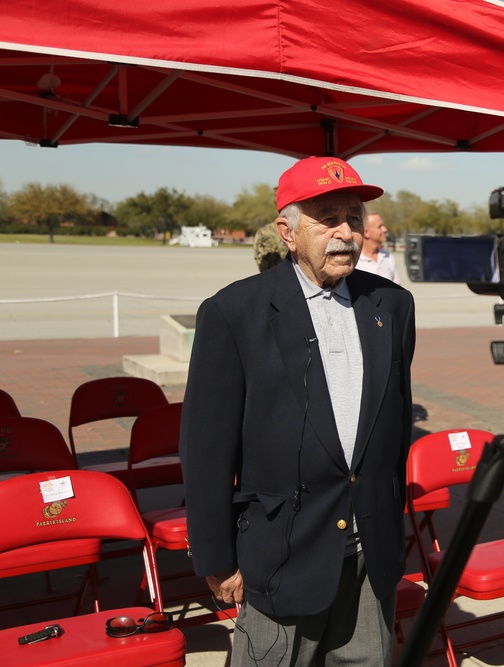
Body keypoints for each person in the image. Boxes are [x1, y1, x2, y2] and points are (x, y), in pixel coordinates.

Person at [180, 155, 416, 666]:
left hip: (368, 553)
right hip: (281, 556)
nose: (346, 232)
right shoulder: (233, 312)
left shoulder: (393, 306)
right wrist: (217, 559)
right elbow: (207, 450)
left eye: (353, 217)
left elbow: (393, 428)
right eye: (327, 218)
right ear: (287, 232)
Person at [355, 212, 400, 284]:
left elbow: (398, 289)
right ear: (366, 232)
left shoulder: (388, 257)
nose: (385, 229)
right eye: (380, 227)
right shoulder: (355, 262)